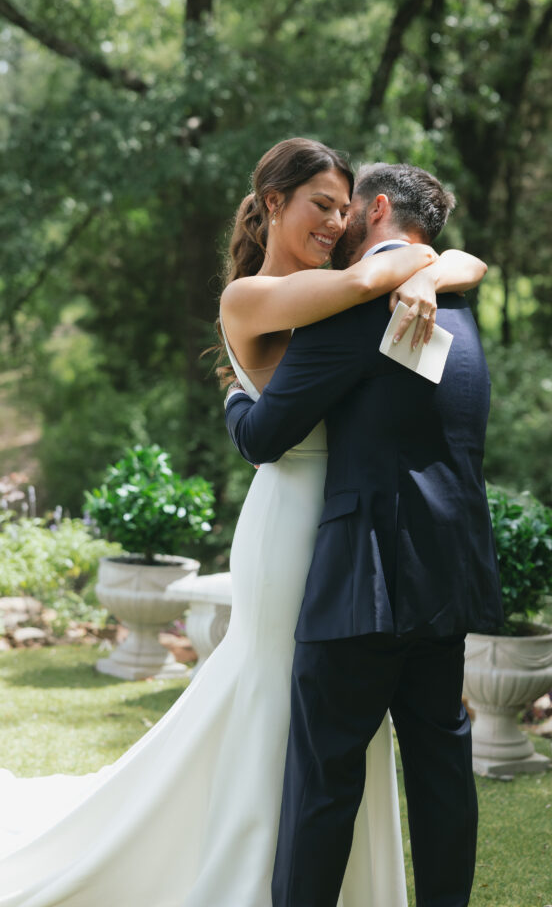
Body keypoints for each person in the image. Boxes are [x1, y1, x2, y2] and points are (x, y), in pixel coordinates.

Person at [0, 139, 486, 907]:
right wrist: (429, 266)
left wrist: (440, 265)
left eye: (340, 207)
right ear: (271, 206)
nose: (333, 221)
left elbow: (441, 268)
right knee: (282, 707)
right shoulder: (265, 297)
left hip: (350, 531)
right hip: (298, 521)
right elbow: (374, 276)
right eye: (319, 206)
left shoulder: (347, 293)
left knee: (323, 723)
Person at [225, 160, 504, 907]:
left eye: (348, 210)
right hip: (449, 580)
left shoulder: (351, 314)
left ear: (375, 209)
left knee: (324, 782)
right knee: (442, 771)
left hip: (362, 582)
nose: (337, 223)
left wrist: (232, 406)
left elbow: (265, 435)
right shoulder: (462, 314)